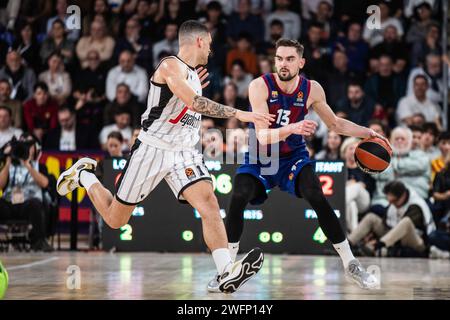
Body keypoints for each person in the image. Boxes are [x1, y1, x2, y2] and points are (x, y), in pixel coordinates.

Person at [56, 20, 273, 294]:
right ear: (198, 41)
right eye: (209, 43)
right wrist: (240, 114)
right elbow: (195, 103)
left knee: (209, 202)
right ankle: (85, 176)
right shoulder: (169, 65)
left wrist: (197, 89)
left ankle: (225, 272)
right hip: (152, 149)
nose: (211, 49)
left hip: (184, 152)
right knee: (115, 219)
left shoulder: (195, 75)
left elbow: (192, 105)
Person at [210, 38, 390, 292]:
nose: (283, 64)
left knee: (316, 195)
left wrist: (368, 133)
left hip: (293, 157)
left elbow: (336, 124)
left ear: (301, 62)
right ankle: (226, 271)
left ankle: (351, 264)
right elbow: (262, 136)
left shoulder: (312, 89)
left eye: (290, 59)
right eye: (279, 58)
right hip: (262, 157)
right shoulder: (259, 85)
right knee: (238, 196)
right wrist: (293, 127)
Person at [348, 181, 435, 257]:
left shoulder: (415, 206)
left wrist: (377, 242)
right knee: (371, 217)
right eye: (389, 201)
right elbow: (386, 223)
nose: (391, 203)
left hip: (416, 241)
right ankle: (347, 244)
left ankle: (377, 246)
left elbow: (403, 231)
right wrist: (372, 235)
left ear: (403, 195)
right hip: (393, 238)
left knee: (406, 222)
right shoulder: (394, 203)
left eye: (394, 201)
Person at [0, 133, 53, 252]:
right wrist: (7, 161)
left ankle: (39, 241)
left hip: (28, 205)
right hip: (9, 204)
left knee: (35, 204)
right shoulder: (8, 165)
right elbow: (0, 185)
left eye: (28, 145)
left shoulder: (40, 166)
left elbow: (45, 183)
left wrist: (27, 165)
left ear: (36, 148)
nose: (25, 147)